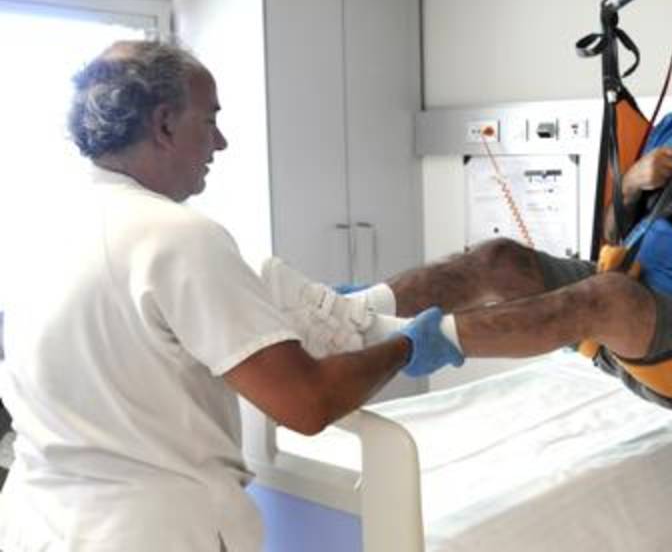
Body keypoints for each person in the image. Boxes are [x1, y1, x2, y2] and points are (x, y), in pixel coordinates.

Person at [0, 41, 424, 551]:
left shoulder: (39, 228)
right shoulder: (177, 235)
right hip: (150, 534)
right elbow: (307, 403)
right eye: (209, 120)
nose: (220, 142)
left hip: (39, 526)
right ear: (164, 124)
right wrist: (407, 347)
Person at [263, 2, 672, 407]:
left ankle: (407, 345)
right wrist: (631, 185)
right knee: (498, 257)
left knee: (606, 293)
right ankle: (354, 313)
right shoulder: (670, 128)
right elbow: (611, 235)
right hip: (625, 286)